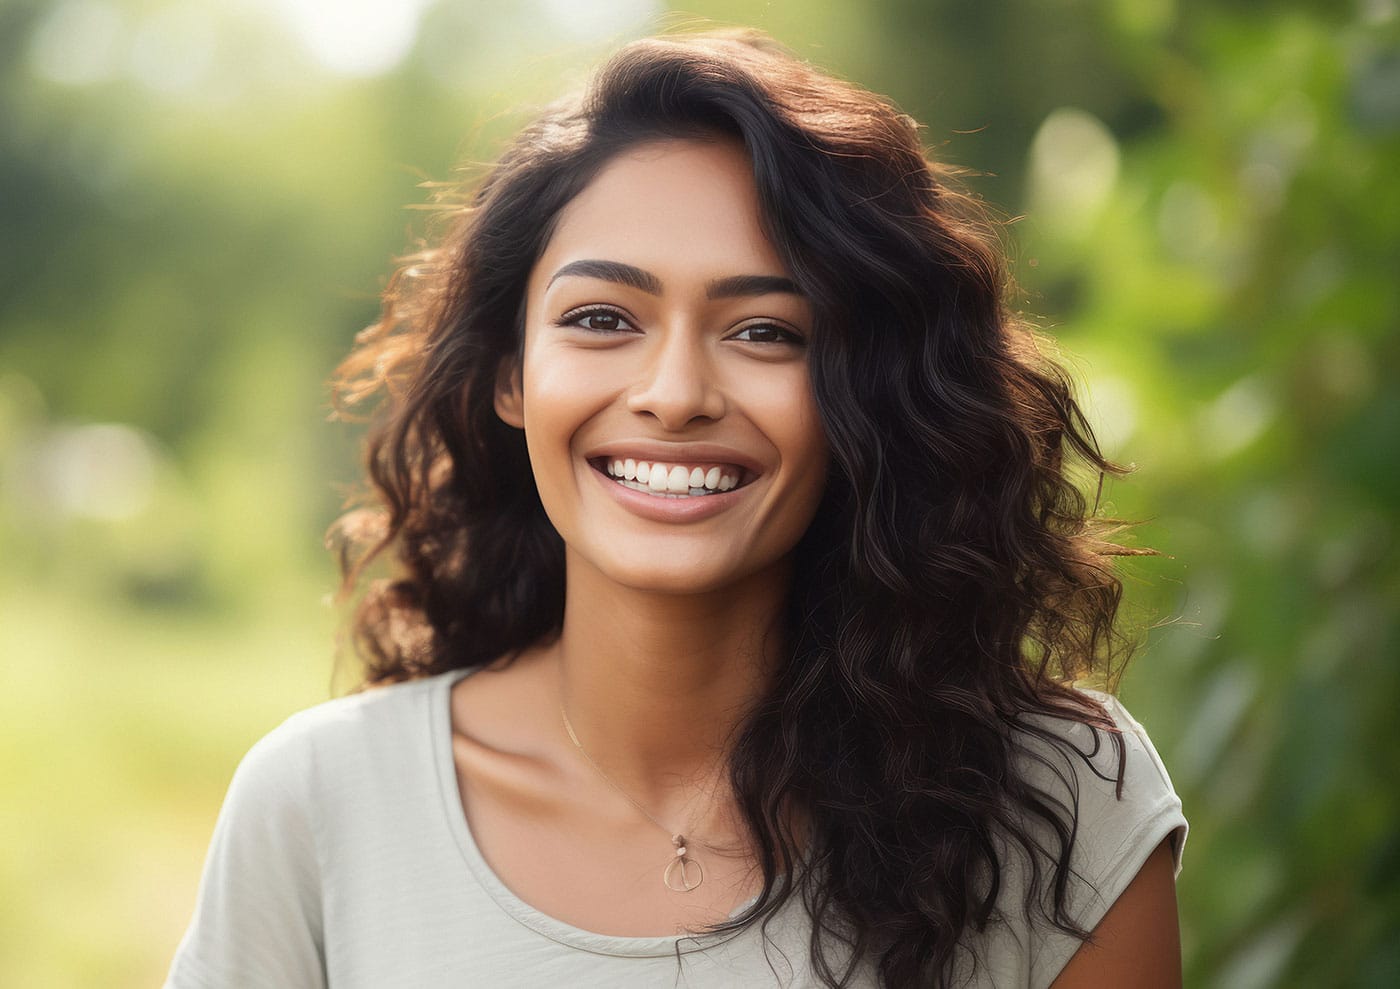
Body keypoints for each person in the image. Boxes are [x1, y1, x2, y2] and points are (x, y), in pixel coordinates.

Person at [166, 29, 1186, 989]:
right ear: (510, 374)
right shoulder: (317, 801)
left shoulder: (1056, 805)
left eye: (765, 332)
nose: (674, 392)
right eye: (601, 318)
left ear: (860, 392)